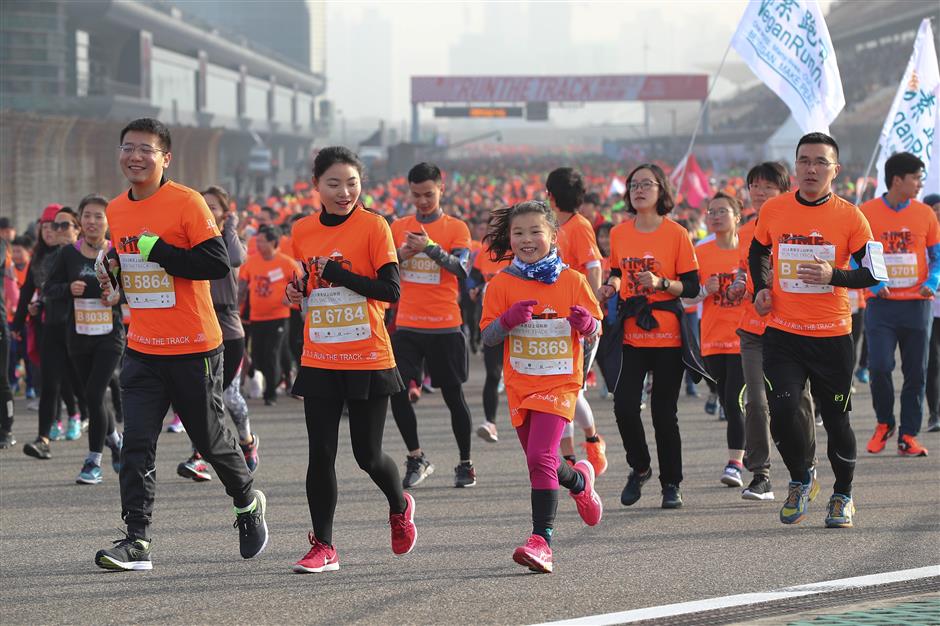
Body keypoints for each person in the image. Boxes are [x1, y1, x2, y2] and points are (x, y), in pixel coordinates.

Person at [94, 117, 266, 571]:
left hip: (194, 346)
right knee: (136, 445)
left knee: (208, 441)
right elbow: (137, 272)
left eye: (145, 149)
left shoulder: (187, 203)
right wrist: (114, 269)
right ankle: (137, 540)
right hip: (144, 348)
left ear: (165, 158)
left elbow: (215, 262)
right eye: (127, 147)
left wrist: (159, 251)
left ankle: (247, 503)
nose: (134, 156)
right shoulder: (116, 209)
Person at [286, 146, 416, 573]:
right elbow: (308, 285)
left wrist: (338, 273)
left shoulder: (374, 226)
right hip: (320, 353)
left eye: (352, 183)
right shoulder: (302, 230)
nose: (344, 192)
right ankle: (323, 545)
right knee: (320, 454)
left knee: (367, 455)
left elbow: (391, 291)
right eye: (334, 184)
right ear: (316, 186)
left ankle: (399, 505)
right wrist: (298, 291)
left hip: (368, 355)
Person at [749, 132, 879, 529]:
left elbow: (874, 273)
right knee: (784, 412)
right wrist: (762, 289)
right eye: (804, 160)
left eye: (820, 161)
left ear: (834, 170)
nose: (810, 168)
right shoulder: (774, 209)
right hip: (784, 333)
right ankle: (801, 479)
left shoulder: (851, 216)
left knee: (837, 420)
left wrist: (833, 275)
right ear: (795, 167)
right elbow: (758, 251)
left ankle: (843, 494)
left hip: (833, 334)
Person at [480, 200, 603, 574]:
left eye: (536, 231)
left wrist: (586, 325)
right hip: (521, 386)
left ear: (552, 235)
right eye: (518, 233)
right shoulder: (501, 284)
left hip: (560, 384)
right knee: (543, 462)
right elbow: (486, 337)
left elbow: (597, 328)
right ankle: (580, 482)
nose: (527, 239)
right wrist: (506, 320)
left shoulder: (573, 281)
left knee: (540, 458)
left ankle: (541, 542)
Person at [598, 164, 700, 509]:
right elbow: (615, 271)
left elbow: (693, 286)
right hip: (631, 333)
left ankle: (671, 484)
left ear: (661, 191)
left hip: (668, 335)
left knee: (663, 413)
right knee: (624, 406)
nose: (638, 189)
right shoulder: (619, 233)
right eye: (633, 184)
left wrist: (660, 284)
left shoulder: (676, 234)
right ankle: (640, 467)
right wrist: (610, 286)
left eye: (646, 184)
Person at [727, 162, 819, 502]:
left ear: (784, 192)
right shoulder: (748, 229)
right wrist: (739, 284)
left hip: (793, 326)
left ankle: (807, 466)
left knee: (798, 402)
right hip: (753, 328)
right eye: (754, 186)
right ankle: (761, 475)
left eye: (767, 187)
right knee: (755, 400)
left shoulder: (798, 226)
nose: (759, 192)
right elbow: (743, 269)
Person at [389, 162, 477, 488]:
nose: (423, 201)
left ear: (442, 189)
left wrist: (429, 248)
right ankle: (416, 456)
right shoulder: (399, 225)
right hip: (408, 324)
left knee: (454, 398)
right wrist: (403, 253)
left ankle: (465, 464)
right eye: (416, 195)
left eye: (429, 194)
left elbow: (463, 270)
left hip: (445, 324)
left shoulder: (456, 228)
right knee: (396, 391)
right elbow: (385, 266)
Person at [177, 184, 259, 481]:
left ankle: (247, 442)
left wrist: (231, 226)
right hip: (199, 324)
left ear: (224, 213)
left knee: (229, 396)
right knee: (203, 396)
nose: (207, 211)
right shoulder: (192, 240)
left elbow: (234, 258)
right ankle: (199, 456)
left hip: (229, 327)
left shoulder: (231, 240)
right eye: (203, 205)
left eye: (213, 206)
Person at [860, 152, 939, 457]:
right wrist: (874, 283)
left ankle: (908, 434)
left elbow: (937, 257)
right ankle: (884, 423)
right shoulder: (866, 213)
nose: (919, 184)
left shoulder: (925, 214)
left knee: (916, 373)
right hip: (881, 305)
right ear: (897, 180)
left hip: (917, 306)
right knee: (879, 367)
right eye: (916, 178)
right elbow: (858, 256)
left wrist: (932, 282)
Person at [44, 195, 124, 484]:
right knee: (92, 395)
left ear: (108, 221)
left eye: (98, 216)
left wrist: (117, 296)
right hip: (78, 336)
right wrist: (68, 288)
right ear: (80, 221)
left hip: (110, 336)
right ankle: (114, 439)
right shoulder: (68, 255)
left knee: (93, 393)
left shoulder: (116, 253)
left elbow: (132, 291)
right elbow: (48, 288)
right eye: (87, 216)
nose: (92, 221)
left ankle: (93, 462)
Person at [546, 167, 607, 476]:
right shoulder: (549, 226)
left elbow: (594, 265)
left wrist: (591, 304)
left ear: (551, 196)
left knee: (573, 390)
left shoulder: (580, 226)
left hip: (581, 322)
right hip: (555, 320)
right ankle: (569, 457)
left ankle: (592, 442)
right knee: (562, 389)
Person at [686, 192, 747, 487]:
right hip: (711, 338)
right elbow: (686, 298)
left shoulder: (748, 249)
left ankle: (735, 463)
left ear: (737, 216)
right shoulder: (701, 250)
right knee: (726, 399)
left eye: (723, 211)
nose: (715, 216)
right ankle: (748, 443)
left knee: (734, 401)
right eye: (711, 211)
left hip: (744, 338)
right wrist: (705, 291)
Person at [19, 206, 87, 458]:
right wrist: (39, 304)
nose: (56, 230)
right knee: (50, 385)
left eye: (63, 225)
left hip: (86, 329)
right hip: (54, 327)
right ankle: (43, 438)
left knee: (92, 388)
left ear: (77, 228)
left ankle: (110, 438)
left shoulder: (88, 254)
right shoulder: (51, 257)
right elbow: (48, 289)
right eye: (54, 225)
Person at [239, 225, 298, 406]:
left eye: (262, 241)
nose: (258, 244)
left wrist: (291, 297)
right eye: (257, 241)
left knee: (272, 353)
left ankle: (270, 394)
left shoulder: (286, 262)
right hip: (257, 317)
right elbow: (242, 286)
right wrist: (236, 307)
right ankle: (276, 377)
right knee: (258, 356)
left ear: (273, 242)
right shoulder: (251, 262)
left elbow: (300, 282)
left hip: (279, 316)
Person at [470, 244, 510, 442]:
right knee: (493, 374)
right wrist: (474, 288)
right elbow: (474, 277)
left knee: (521, 376)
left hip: (522, 323)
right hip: (493, 322)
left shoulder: (522, 250)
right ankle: (490, 423)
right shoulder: (484, 253)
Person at [926, 193, 940, 433]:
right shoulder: (920, 237)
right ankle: (934, 415)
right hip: (928, 308)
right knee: (932, 363)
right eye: (934, 209)